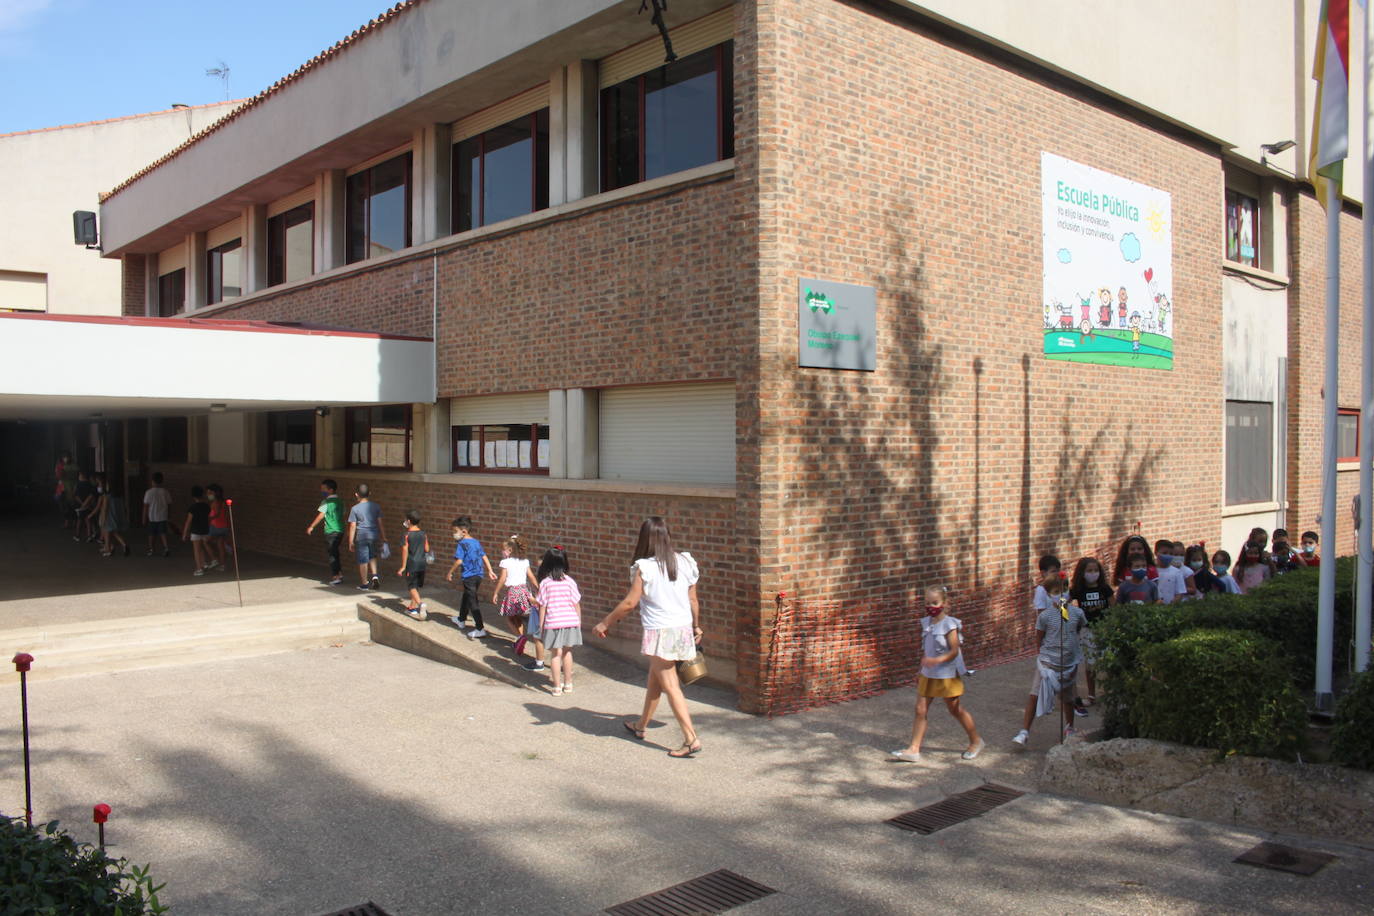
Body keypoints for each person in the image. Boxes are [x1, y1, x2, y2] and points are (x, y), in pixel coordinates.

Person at [595, 517, 704, 758]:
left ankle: (690, 738)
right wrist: (696, 626)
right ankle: (641, 725)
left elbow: (630, 603)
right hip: (682, 628)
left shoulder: (645, 567)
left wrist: (605, 622)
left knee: (671, 685)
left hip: (661, 632)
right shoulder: (685, 561)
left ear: (644, 539)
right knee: (656, 680)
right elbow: (693, 600)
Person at [890, 585, 983, 762]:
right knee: (920, 709)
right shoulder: (926, 623)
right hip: (928, 673)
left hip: (946, 674)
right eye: (927, 603)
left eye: (935, 602)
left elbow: (954, 651)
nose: (931, 606)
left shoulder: (949, 625)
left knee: (955, 709)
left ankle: (976, 740)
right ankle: (914, 749)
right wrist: (922, 669)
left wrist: (936, 661)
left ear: (945, 603)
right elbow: (928, 649)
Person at [1013, 575, 1085, 745]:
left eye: (1064, 590)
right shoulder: (1044, 616)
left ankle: (1069, 727)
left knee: (1067, 697)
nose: (1061, 595)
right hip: (1047, 662)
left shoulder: (1077, 613)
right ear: (1048, 594)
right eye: (1056, 592)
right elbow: (1039, 638)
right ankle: (1024, 731)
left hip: (1068, 663)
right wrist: (1042, 657)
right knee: (1034, 695)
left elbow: (1078, 628)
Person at [536, 547, 583, 696]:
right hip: (570, 621)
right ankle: (568, 683)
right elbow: (576, 603)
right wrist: (578, 622)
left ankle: (557, 687)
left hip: (553, 622)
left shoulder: (545, 583)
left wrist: (541, 625)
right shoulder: (570, 581)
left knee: (556, 654)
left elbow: (542, 606)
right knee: (567, 652)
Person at [492, 535, 544, 670]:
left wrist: (496, 592)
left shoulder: (506, 562)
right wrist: (538, 588)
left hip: (513, 592)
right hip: (524, 591)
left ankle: (519, 637)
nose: (502, 552)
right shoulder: (524, 561)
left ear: (509, 550)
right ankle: (519, 641)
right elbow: (531, 576)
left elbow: (503, 578)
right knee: (518, 617)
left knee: (509, 618)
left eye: (503, 550)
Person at [1069, 556, 1112, 703]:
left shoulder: (1105, 589)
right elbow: (1064, 605)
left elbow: (1114, 606)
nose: (1093, 573)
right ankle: (1092, 694)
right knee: (1090, 664)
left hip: (1105, 628)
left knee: (1108, 661)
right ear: (1082, 573)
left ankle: (1110, 692)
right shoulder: (1078, 590)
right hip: (1087, 630)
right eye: (1089, 570)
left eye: (1095, 570)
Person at [446, 515, 493, 637]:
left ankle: (480, 628)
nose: (454, 534)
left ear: (464, 531)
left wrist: (450, 572)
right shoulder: (476, 542)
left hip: (469, 576)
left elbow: (459, 561)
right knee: (467, 596)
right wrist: (490, 570)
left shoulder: (462, 544)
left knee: (473, 601)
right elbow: (484, 556)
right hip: (479, 575)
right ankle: (461, 619)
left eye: (455, 531)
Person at [306, 479, 347, 586]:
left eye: (323, 489)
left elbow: (320, 516)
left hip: (330, 531)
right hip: (340, 530)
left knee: (332, 554)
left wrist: (311, 526)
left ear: (331, 490)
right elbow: (342, 513)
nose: (321, 491)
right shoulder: (341, 501)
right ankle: (339, 573)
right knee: (335, 552)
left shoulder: (326, 502)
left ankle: (336, 576)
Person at [347, 483, 386, 591]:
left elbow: (353, 526)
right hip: (374, 535)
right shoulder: (376, 506)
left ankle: (364, 583)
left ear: (356, 495)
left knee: (363, 560)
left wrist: (350, 541)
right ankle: (375, 576)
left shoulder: (354, 509)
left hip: (362, 536)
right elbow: (380, 523)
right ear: (369, 493)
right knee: (372, 556)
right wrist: (384, 537)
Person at [396, 510, 430, 620]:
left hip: (412, 563)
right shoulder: (423, 534)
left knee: (411, 586)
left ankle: (420, 604)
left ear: (409, 521)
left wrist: (403, 566)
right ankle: (412, 607)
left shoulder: (406, 535)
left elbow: (405, 551)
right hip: (422, 563)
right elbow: (427, 549)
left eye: (406, 520)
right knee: (416, 586)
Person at [182, 485, 213, 575]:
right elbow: (209, 518)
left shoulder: (193, 508)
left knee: (196, 550)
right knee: (201, 548)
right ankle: (203, 564)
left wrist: (184, 533)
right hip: (205, 530)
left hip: (196, 531)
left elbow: (188, 521)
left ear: (193, 496)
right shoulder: (207, 506)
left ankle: (199, 569)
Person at [142, 472, 173, 557]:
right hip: (163, 516)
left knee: (151, 534)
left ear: (152, 481)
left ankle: (151, 549)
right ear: (162, 481)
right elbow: (169, 504)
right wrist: (169, 515)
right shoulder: (165, 492)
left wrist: (144, 518)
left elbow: (146, 506)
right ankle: (166, 548)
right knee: (163, 533)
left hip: (152, 517)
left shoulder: (148, 492)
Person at [99, 479, 130, 558]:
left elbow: (105, 508)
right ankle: (123, 545)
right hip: (118, 516)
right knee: (114, 532)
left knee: (107, 533)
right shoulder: (119, 497)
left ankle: (108, 549)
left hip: (109, 516)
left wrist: (103, 518)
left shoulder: (107, 496)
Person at [1154, 538, 1188, 603]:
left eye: (1171, 553)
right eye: (1164, 553)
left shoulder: (1177, 572)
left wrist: (1173, 604)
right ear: (1156, 553)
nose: (1168, 556)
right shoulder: (1152, 571)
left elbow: (1180, 592)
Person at [205, 484, 231, 569]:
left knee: (205, 541)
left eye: (209, 492)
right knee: (220, 546)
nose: (208, 494)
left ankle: (214, 559)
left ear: (215, 493)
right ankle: (222, 565)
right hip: (224, 527)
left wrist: (208, 518)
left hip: (216, 527)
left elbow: (216, 514)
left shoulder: (215, 502)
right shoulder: (223, 502)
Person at [71, 470, 97, 543]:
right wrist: (87, 503)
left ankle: (77, 535)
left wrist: (82, 503)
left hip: (80, 506)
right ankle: (89, 536)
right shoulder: (89, 484)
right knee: (88, 520)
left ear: (81, 475)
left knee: (79, 520)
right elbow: (91, 495)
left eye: (79, 475)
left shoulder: (78, 484)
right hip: (88, 505)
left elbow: (75, 495)